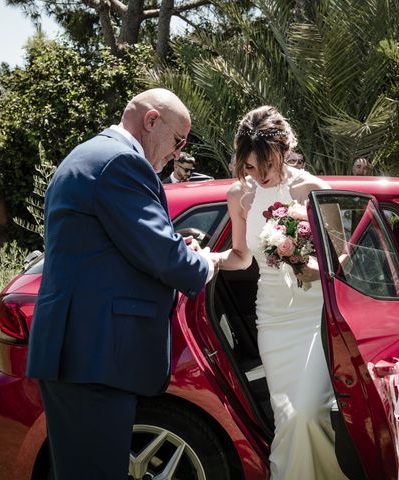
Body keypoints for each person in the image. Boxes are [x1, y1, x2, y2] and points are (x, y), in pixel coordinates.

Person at [26, 88, 220, 480]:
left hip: (82, 353)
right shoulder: (121, 163)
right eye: (178, 140)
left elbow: (114, 248)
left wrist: (170, 245)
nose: (178, 153)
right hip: (95, 355)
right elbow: (165, 259)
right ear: (151, 121)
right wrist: (203, 262)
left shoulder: (92, 154)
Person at [214, 105, 347, 479]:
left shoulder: (314, 190)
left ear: (284, 151)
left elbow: (342, 260)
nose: (257, 174)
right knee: (289, 414)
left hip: (314, 317)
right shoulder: (239, 195)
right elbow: (241, 258)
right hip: (273, 317)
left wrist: (310, 267)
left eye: (265, 164)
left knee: (309, 411)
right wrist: (207, 259)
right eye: (249, 166)